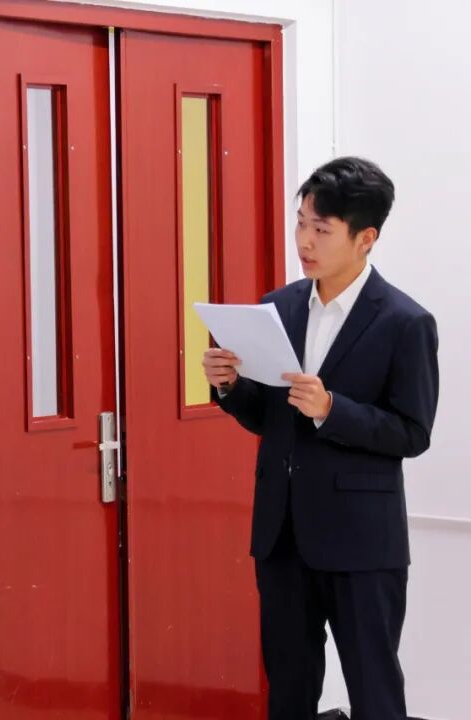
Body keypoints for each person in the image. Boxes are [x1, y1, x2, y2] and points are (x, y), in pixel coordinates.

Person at [203, 157, 439, 720]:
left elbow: (412, 433)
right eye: (301, 223)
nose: (304, 241)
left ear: (365, 238)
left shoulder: (405, 322)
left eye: (322, 229)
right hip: (282, 536)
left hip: (362, 543)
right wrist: (230, 387)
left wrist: (333, 410)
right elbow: (270, 419)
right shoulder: (277, 307)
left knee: (375, 692)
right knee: (289, 690)